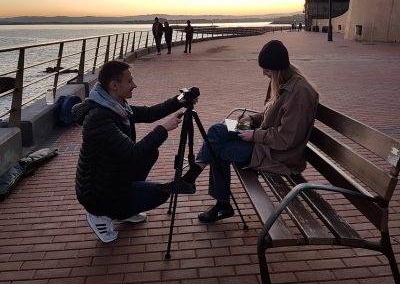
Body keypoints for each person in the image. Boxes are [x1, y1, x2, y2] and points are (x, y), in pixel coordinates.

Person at [171, 40, 319, 223]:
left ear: (277, 68)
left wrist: (254, 135)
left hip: (276, 154)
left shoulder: (300, 93)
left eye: (266, 70)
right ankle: (191, 177)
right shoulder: (284, 82)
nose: (264, 74)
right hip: (264, 140)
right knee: (217, 130)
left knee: (220, 151)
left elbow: (287, 138)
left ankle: (219, 203)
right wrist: (252, 120)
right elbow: (271, 115)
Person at [73, 60, 192, 243]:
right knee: (159, 193)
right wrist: (164, 128)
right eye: (129, 81)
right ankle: (101, 216)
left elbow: (150, 113)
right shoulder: (99, 117)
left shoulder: (116, 106)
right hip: (97, 194)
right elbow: (133, 153)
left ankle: (124, 210)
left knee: (150, 153)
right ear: (114, 85)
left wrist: (181, 100)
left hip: (112, 178)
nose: (134, 85)